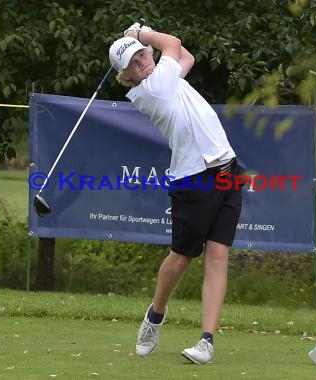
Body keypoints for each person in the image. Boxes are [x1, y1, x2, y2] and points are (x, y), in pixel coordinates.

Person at [108, 23, 243, 365]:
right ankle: (155, 314)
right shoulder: (152, 88)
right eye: (133, 63)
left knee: (218, 256)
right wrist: (142, 32)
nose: (141, 62)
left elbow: (187, 56)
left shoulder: (167, 76)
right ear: (127, 76)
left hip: (227, 169)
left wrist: (143, 43)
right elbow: (175, 43)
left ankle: (207, 341)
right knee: (182, 257)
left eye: (141, 55)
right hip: (193, 180)